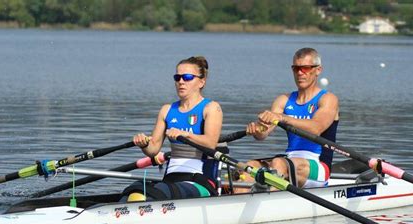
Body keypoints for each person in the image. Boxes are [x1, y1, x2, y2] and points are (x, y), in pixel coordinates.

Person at [122, 56, 223, 201]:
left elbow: (210, 143)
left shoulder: (211, 108)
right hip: (171, 179)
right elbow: (153, 149)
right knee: (134, 189)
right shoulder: (167, 110)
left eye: (187, 77)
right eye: (177, 77)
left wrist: (184, 134)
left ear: (202, 82)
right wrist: (144, 144)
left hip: (200, 180)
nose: (181, 82)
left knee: (157, 192)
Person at [238, 47, 339, 191]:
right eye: (296, 68)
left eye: (305, 68)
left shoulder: (328, 99)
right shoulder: (283, 100)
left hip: (319, 166)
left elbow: (316, 128)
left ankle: (270, 203)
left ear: (318, 70)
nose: (299, 73)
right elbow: (263, 134)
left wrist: (282, 117)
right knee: (250, 167)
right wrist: (257, 130)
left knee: (279, 163)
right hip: (289, 160)